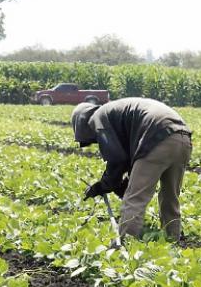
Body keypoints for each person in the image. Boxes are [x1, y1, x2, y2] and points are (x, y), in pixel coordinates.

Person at [71, 97, 192, 241]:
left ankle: (127, 244)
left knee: (134, 199)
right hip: (182, 137)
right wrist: (117, 183)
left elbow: (117, 159)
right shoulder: (115, 112)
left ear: (82, 123)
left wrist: (104, 185)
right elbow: (128, 158)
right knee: (170, 196)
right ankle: (173, 239)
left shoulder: (98, 117)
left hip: (156, 137)